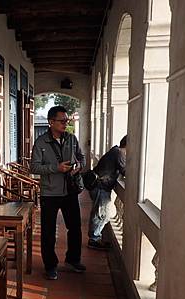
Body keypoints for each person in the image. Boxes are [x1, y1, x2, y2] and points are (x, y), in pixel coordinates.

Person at [30, 106, 86, 280]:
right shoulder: (41, 142)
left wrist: (78, 166)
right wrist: (57, 168)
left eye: (66, 120)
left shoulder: (71, 139)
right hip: (49, 193)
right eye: (62, 121)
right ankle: (50, 265)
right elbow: (34, 167)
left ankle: (72, 260)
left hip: (69, 191)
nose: (65, 124)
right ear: (51, 122)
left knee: (75, 228)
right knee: (48, 231)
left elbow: (81, 157)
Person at [88, 135, 127, 250]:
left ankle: (95, 237)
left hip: (99, 186)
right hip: (101, 187)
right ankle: (94, 239)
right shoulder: (119, 153)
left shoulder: (114, 151)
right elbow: (124, 170)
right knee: (102, 214)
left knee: (100, 213)